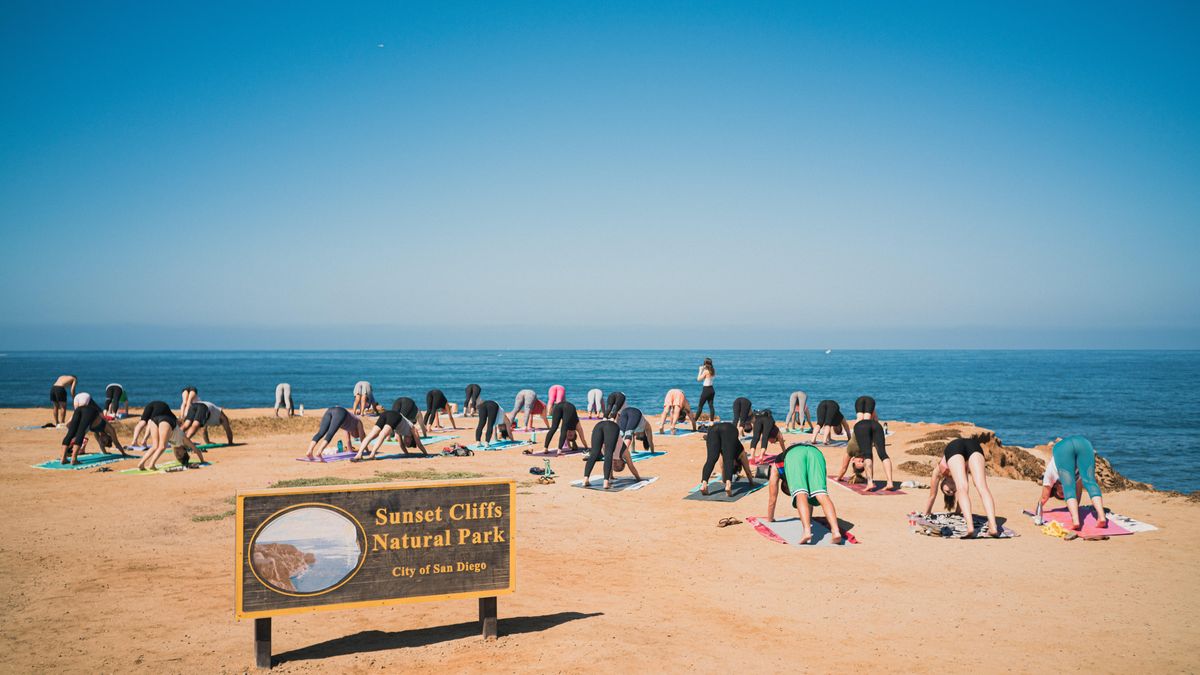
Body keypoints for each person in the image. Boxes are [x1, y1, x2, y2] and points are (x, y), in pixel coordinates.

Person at [920, 438, 1002, 538]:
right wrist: (958, 511)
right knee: (980, 487)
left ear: (942, 484)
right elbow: (962, 494)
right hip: (973, 445)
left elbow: (932, 495)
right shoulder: (960, 475)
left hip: (954, 447)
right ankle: (992, 527)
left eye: (947, 491)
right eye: (953, 492)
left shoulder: (938, 472)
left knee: (967, 487)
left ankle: (971, 528)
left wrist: (927, 512)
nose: (951, 491)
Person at [765, 443, 845, 545]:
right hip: (816, 453)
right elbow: (809, 501)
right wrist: (809, 517)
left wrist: (770, 518)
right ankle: (835, 531)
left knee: (800, 493)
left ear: (786, 484)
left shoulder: (776, 468)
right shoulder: (787, 468)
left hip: (794, 454)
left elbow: (772, 498)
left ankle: (807, 532)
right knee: (821, 494)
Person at [1033, 435, 1109, 531]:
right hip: (1083, 443)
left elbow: (1044, 498)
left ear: (1054, 487)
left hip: (1063, 448)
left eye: (1061, 493)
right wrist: (1074, 507)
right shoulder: (1077, 478)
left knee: (1069, 487)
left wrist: (1038, 509)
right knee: (1090, 482)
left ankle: (1076, 521)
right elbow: (1077, 493)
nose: (1064, 494)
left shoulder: (1050, 475)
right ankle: (1101, 517)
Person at [135, 400, 203, 471]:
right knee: (162, 447)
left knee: (155, 446)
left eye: (177, 457)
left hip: (155, 419)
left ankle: (141, 463)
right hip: (166, 420)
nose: (177, 454)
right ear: (185, 451)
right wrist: (202, 461)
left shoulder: (174, 447)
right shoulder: (183, 439)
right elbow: (196, 450)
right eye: (180, 455)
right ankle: (151, 464)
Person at [60, 393, 127, 464]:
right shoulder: (109, 428)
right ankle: (73, 459)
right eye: (104, 441)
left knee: (71, 433)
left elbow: (100, 444)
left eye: (102, 443)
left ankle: (63, 459)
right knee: (79, 433)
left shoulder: (96, 434)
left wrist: (105, 452)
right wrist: (123, 453)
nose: (102, 442)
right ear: (108, 437)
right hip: (89, 411)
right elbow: (116, 443)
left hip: (79, 409)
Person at [582, 418, 645, 489]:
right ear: (623, 462)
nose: (615, 465)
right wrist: (638, 479)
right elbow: (631, 466)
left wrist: (611, 476)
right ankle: (605, 483)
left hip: (599, 426)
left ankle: (585, 479)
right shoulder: (624, 453)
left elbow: (609, 463)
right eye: (618, 466)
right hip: (612, 427)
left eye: (614, 467)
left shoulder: (610, 459)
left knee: (594, 454)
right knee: (609, 453)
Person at [700, 421, 755, 497]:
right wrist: (752, 483)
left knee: (711, 460)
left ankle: (704, 484)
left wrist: (724, 479)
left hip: (713, 429)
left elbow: (723, 471)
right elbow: (748, 471)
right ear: (737, 464)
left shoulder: (738, 454)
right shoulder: (741, 454)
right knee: (728, 459)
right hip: (729, 429)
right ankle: (728, 485)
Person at [355, 409, 428, 460]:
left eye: (407, 444)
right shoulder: (413, 429)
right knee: (381, 434)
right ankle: (370, 454)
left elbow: (401, 445)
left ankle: (359, 454)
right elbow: (419, 444)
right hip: (396, 416)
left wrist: (407, 453)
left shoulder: (400, 432)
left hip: (386, 414)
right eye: (408, 443)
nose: (406, 442)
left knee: (373, 434)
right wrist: (426, 454)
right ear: (412, 439)